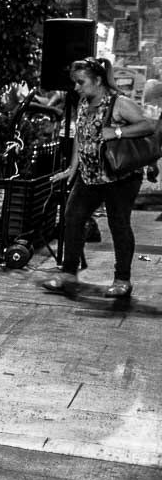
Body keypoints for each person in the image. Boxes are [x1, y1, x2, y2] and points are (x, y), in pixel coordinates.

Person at [40, 56, 156, 300]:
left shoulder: (119, 103)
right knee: (72, 218)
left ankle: (122, 279)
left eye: (81, 82)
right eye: (75, 83)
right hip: (89, 176)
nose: (76, 87)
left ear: (98, 80)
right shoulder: (84, 103)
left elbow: (147, 127)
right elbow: (80, 139)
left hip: (120, 178)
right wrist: (72, 170)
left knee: (119, 225)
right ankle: (68, 274)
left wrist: (116, 131)